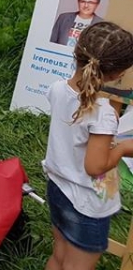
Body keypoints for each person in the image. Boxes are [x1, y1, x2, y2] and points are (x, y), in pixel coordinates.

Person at [42, 21, 133, 270]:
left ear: (76, 52)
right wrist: (123, 148)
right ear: (118, 74)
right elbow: (94, 167)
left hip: (58, 187)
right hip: (86, 204)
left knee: (59, 256)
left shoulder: (57, 88)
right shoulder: (101, 112)